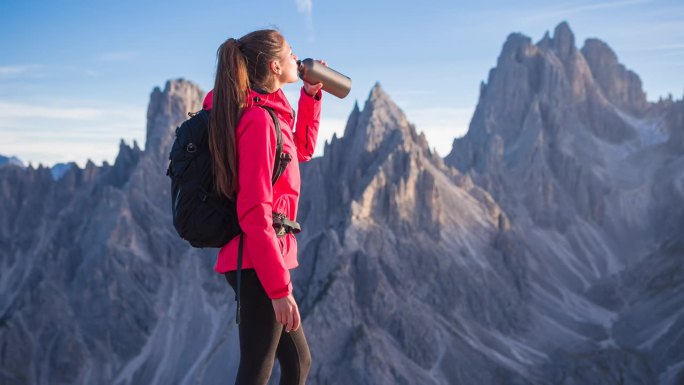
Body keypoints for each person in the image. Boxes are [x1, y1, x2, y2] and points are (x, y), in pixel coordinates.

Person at [205, 29, 323, 385]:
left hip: (260, 260)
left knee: (298, 362)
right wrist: (280, 290)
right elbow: (254, 212)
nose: (296, 59)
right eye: (290, 54)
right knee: (258, 369)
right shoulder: (258, 121)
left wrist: (311, 95)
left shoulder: (271, 115)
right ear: (274, 66)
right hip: (256, 262)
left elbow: (299, 150)